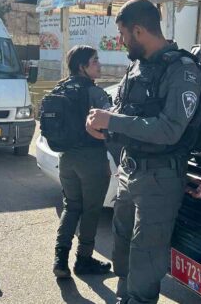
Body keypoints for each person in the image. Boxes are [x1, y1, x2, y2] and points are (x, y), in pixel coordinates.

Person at [86, 0, 201, 304]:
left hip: (161, 175)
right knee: (122, 243)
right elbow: (127, 112)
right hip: (130, 168)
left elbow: (169, 129)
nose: (121, 42)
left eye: (123, 35)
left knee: (146, 253)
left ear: (138, 31)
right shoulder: (140, 65)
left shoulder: (182, 69)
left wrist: (113, 120)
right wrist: (103, 123)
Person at [53, 45, 113, 279]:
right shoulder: (95, 93)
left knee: (71, 207)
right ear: (82, 66)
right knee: (91, 211)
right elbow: (111, 126)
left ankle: (60, 259)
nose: (100, 65)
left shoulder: (60, 88)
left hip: (66, 158)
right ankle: (83, 260)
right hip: (91, 159)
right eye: (95, 61)